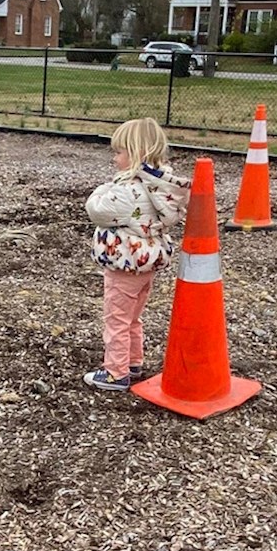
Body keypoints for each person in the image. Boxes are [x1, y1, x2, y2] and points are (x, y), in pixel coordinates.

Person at [83, 118, 191, 391]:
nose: (114, 158)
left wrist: (103, 188)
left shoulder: (128, 189)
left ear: (136, 153)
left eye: (118, 152)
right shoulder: (160, 188)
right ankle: (132, 361)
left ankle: (115, 373)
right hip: (146, 264)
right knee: (132, 316)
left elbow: (97, 210)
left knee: (116, 318)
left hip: (124, 265)